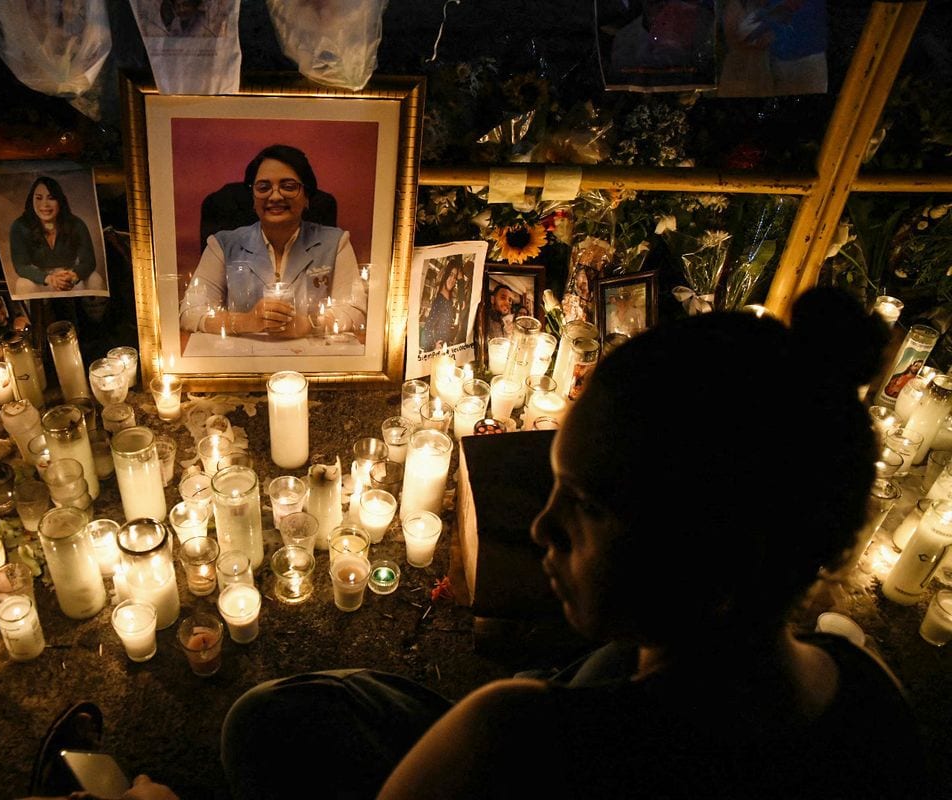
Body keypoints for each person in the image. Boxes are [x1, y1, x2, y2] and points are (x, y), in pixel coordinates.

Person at [213, 287, 933, 799]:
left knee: (267, 723)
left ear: (703, 543)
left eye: (586, 505)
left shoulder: (512, 737)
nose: (538, 528)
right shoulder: (869, 693)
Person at [180, 144, 364, 340]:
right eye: (263, 187)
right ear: (253, 198)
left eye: (289, 186)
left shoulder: (336, 243)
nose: (275, 196)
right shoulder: (222, 245)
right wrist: (247, 321)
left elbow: (355, 310)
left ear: (307, 197)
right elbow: (190, 312)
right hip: (243, 363)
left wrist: (309, 324)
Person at [10, 176, 103, 294]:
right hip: (41, 279)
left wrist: (74, 275)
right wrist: (48, 278)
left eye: (51, 198)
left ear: (60, 201)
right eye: (38, 198)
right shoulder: (20, 226)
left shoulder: (76, 224)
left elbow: (89, 261)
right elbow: (21, 266)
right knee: (22, 284)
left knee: (95, 279)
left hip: (69, 278)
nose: (44, 204)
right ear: (31, 200)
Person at [418, 258, 468, 352]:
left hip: (445, 347)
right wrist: (433, 346)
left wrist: (460, 280)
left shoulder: (449, 299)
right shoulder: (439, 300)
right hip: (437, 350)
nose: (453, 279)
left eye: (455, 277)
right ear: (445, 274)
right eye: (451, 275)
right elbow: (427, 327)